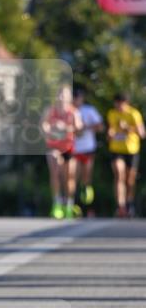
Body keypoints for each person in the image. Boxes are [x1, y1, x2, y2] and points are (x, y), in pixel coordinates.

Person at [41, 85, 83, 219]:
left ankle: (69, 204)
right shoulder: (50, 110)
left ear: (69, 97)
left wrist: (66, 128)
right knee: (54, 171)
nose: (61, 97)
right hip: (54, 147)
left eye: (64, 95)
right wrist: (50, 130)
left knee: (69, 177)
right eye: (59, 94)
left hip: (69, 148)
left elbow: (80, 130)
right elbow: (43, 125)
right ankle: (57, 204)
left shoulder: (73, 112)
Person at [106, 93, 145, 218]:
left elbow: (142, 134)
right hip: (116, 150)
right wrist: (110, 134)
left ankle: (129, 204)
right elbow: (110, 131)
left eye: (120, 103)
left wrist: (128, 128)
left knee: (130, 180)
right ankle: (120, 206)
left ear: (126, 103)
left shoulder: (134, 114)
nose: (118, 106)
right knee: (119, 173)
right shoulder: (112, 114)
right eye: (116, 103)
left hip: (131, 151)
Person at [71, 88, 104, 217]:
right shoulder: (69, 111)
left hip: (88, 149)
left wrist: (86, 127)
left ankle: (88, 208)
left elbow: (100, 127)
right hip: (74, 150)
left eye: (77, 98)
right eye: (74, 98)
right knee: (73, 177)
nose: (76, 100)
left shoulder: (89, 110)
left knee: (86, 179)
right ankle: (74, 206)